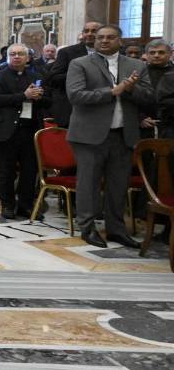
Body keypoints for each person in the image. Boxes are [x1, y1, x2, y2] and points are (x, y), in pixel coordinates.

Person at [66, 24, 152, 249]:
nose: (103, 41)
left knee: (118, 184)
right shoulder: (80, 64)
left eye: (110, 37)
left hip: (123, 134)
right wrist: (112, 91)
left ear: (120, 41)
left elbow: (149, 98)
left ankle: (116, 229)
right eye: (100, 37)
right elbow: (76, 95)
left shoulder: (137, 65)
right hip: (89, 135)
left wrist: (131, 89)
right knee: (89, 183)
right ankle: (87, 227)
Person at [0, 44, 50, 220]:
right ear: (7, 57)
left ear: (28, 58)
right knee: (6, 171)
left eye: (20, 54)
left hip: (30, 130)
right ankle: (8, 205)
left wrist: (40, 97)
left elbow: (50, 100)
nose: (16, 57)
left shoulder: (37, 76)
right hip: (6, 131)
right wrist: (24, 96)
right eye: (13, 54)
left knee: (30, 171)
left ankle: (25, 205)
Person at [47, 21, 100, 126]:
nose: (89, 34)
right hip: (72, 108)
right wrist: (81, 75)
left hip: (100, 108)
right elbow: (54, 78)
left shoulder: (108, 53)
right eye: (86, 31)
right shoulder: (67, 52)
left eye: (94, 31)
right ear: (82, 34)